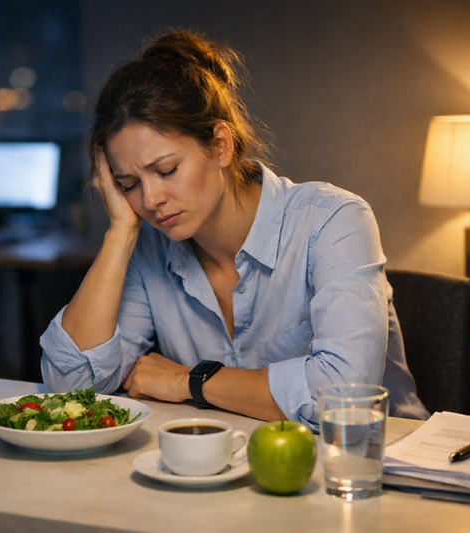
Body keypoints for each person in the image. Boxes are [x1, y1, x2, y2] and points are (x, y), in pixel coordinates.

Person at [40, 29, 428, 427]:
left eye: (167, 169)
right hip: (234, 471)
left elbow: (346, 397)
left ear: (221, 145)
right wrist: (119, 232)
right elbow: (71, 389)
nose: (151, 199)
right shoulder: (150, 248)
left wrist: (191, 382)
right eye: (129, 184)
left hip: (382, 469)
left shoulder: (333, 221)